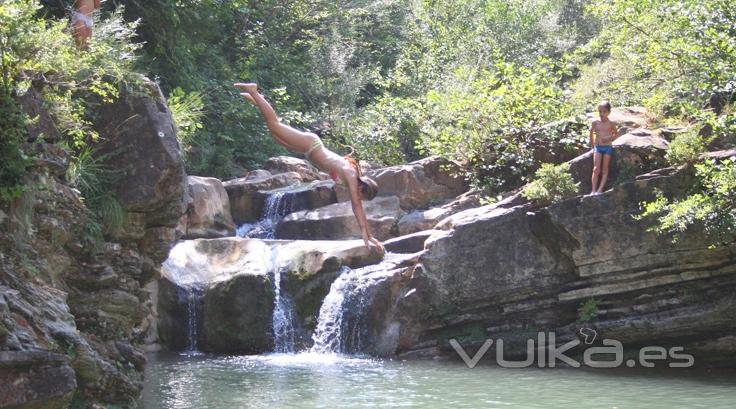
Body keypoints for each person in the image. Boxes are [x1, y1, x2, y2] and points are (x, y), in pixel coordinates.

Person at [234, 82, 385, 252]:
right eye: (361, 196)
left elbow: (358, 206)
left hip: (306, 150)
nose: (357, 198)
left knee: (275, 133)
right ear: (363, 189)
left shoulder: (353, 176)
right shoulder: (351, 176)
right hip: (311, 144)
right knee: (274, 125)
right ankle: (254, 91)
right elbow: (356, 206)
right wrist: (366, 233)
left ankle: (258, 99)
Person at [589, 101, 620, 195]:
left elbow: (616, 134)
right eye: (600, 111)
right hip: (598, 147)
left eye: (604, 111)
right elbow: (591, 134)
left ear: (609, 112)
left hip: (607, 147)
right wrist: (593, 145)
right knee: (596, 169)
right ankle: (593, 190)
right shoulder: (595, 122)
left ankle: (600, 190)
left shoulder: (611, 123)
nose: (602, 114)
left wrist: (608, 138)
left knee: (605, 169)